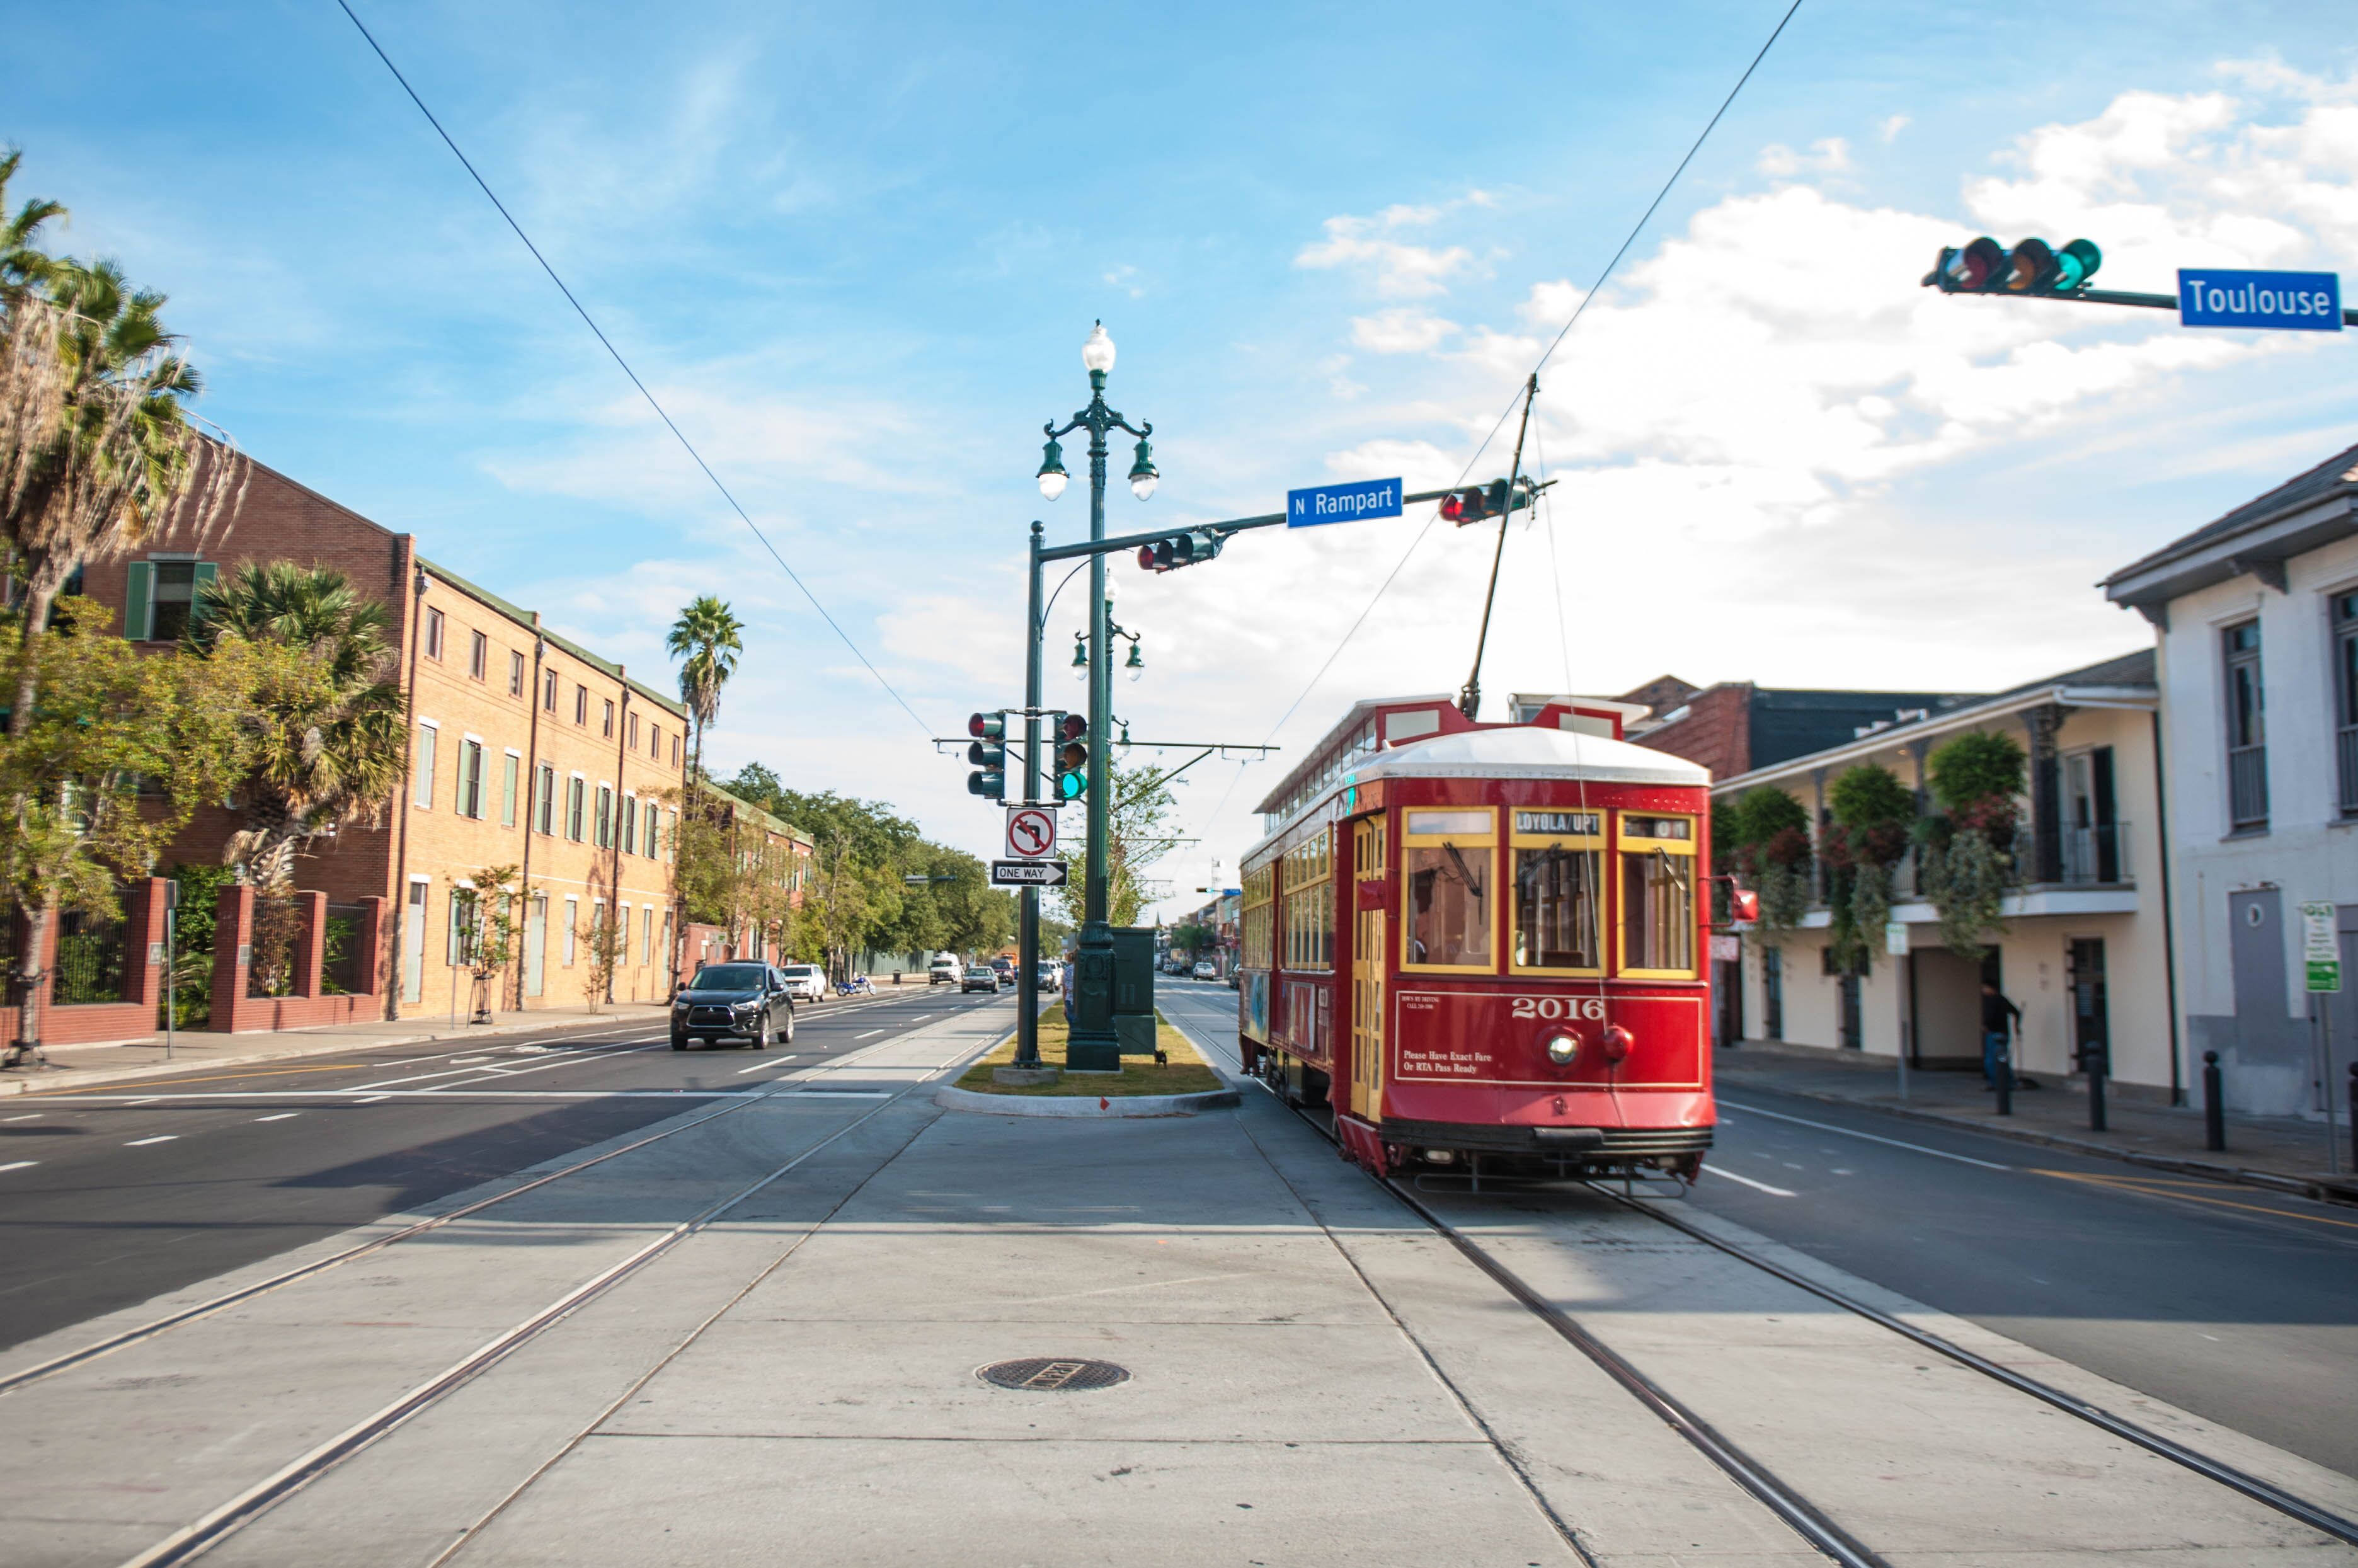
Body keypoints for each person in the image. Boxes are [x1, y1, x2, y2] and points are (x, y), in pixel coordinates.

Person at [1981, 981, 2022, 1090]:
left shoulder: (1994, 1001)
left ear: (1991, 988)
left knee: (1992, 1060)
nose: (1984, 990)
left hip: (1994, 1033)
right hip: (2003, 1033)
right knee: (2002, 1059)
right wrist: (2016, 1026)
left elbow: (1991, 1017)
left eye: (1985, 988)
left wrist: (1986, 1026)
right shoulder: (2002, 1000)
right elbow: (2016, 1012)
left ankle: (1996, 1083)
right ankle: (2008, 1082)